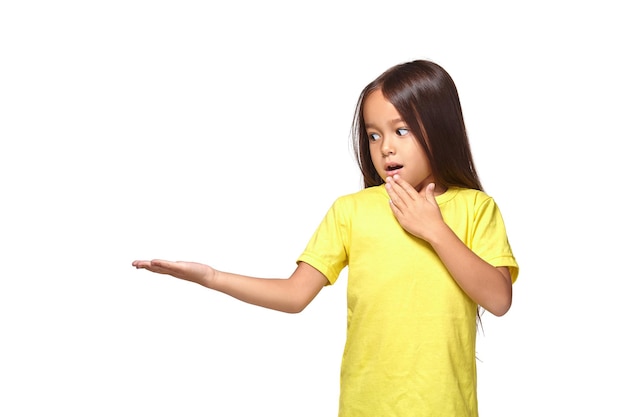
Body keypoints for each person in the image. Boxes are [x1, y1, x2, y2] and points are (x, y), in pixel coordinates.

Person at [133, 59, 519, 417]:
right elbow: (294, 295)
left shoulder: (476, 208)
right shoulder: (351, 211)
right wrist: (211, 277)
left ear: (440, 128)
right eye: (373, 135)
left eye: (401, 130)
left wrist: (434, 229)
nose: (385, 147)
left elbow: (499, 299)